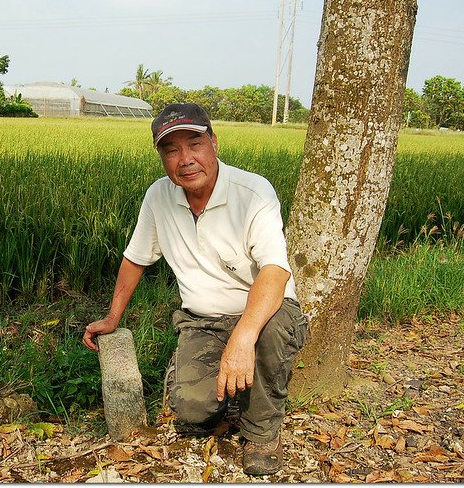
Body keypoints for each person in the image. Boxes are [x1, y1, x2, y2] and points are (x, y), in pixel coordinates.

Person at [82, 103, 308, 475]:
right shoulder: (159, 197)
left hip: (264, 315)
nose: (185, 159)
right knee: (191, 411)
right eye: (171, 150)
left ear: (214, 144)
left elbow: (274, 272)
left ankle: (263, 432)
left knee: (276, 324)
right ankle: (231, 390)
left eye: (195, 144)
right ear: (161, 157)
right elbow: (135, 258)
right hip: (203, 321)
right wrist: (112, 316)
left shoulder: (252, 192)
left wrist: (243, 338)